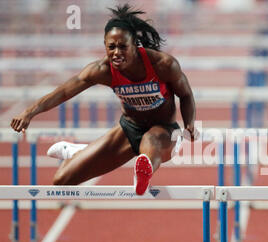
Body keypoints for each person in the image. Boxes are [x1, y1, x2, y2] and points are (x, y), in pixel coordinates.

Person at [10, 4, 197, 195]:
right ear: (105, 46)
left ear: (135, 45)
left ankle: (142, 174)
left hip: (164, 131)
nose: (117, 53)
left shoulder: (163, 65)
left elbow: (186, 94)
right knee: (62, 181)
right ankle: (79, 152)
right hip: (129, 129)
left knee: (150, 141)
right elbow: (64, 92)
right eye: (111, 47)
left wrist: (189, 124)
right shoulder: (103, 70)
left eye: (123, 46)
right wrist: (29, 112)